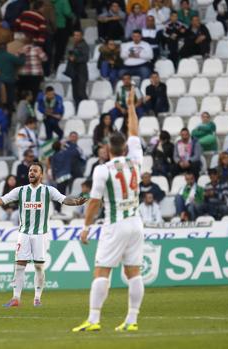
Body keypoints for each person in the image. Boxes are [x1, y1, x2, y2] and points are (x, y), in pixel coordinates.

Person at [73, 86, 144, 333]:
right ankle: (132, 319)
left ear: (107, 149)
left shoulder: (102, 169)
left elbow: (94, 202)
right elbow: (134, 129)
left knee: (102, 270)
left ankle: (93, 320)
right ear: (124, 147)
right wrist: (132, 106)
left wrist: (86, 227)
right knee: (133, 271)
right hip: (136, 223)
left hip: (114, 225)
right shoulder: (136, 160)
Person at [0, 163, 87, 307]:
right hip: (24, 234)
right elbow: (2, 200)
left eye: (35, 171)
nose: (31, 173)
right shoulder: (20, 191)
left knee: (39, 267)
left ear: (41, 174)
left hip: (40, 234)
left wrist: (76, 202)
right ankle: (15, 298)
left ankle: (37, 298)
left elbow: (64, 199)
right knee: (19, 266)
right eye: (30, 171)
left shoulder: (48, 190)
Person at [18, 35, 48, 102]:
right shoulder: (37, 49)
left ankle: (23, 106)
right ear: (33, 41)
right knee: (34, 91)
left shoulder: (21, 49)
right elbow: (45, 58)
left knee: (24, 92)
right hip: (36, 74)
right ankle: (32, 106)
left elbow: (16, 59)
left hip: (23, 74)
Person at [67, 30, 90, 106]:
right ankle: (78, 109)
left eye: (78, 35)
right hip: (75, 71)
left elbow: (86, 58)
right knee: (75, 93)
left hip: (81, 71)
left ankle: (87, 108)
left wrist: (75, 59)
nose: (76, 37)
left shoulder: (84, 45)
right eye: (74, 35)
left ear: (81, 36)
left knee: (81, 92)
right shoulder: (74, 45)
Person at [52, 0, 75, 70]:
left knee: (54, 48)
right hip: (62, 26)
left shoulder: (50, 2)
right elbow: (67, 13)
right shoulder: (64, 1)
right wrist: (73, 16)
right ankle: (58, 67)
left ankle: (52, 66)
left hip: (52, 27)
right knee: (60, 48)